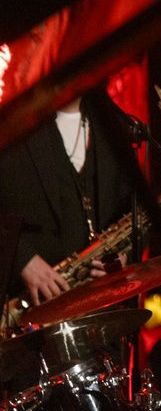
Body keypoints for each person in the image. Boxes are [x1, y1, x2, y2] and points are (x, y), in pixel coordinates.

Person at [0, 88, 138, 315]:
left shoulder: (112, 126)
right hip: (23, 309)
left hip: (96, 310)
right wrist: (22, 260)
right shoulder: (11, 123)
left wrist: (123, 257)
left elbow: (131, 215)